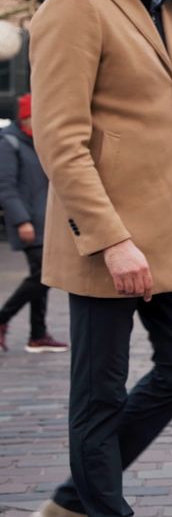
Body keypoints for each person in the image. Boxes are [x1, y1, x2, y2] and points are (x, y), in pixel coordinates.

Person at [28, 0, 172, 517]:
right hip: (105, 238)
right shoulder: (75, 4)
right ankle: (101, 507)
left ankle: (72, 500)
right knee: (99, 395)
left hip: (170, 233)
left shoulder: (164, 5)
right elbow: (60, 140)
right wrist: (111, 240)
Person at [0, 94, 69, 353]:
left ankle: (38, 335)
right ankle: (3, 319)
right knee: (42, 275)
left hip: (45, 222)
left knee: (43, 276)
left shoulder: (37, 142)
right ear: (27, 116)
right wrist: (22, 221)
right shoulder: (9, 142)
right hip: (27, 223)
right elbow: (5, 188)